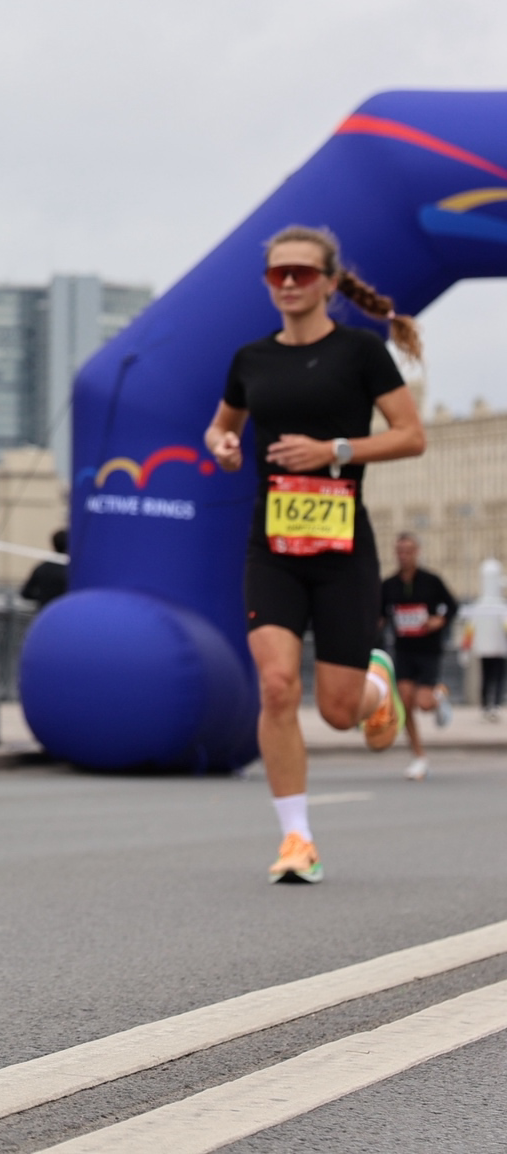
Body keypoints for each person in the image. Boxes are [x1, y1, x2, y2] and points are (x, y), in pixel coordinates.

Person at [204, 224, 424, 886]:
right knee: (275, 686)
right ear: (269, 284)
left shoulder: (360, 353)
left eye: (303, 272)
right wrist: (222, 444)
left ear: (330, 282)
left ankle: (376, 684)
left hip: (341, 545)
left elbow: (412, 437)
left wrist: (336, 451)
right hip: (272, 544)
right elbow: (222, 424)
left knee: (336, 709)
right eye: (279, 274)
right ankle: (296, 837)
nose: (291, 283)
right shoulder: (250, 359)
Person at [381, 532, 455, 781]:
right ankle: (419, 756)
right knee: (404, 704)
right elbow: (379, 615)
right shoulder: (389, 585)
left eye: (409, 551)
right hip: (403, 651)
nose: (404, 556)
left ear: (417, 552)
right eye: (400, 551)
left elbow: (452, 606)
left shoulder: (431, 581)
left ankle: (441, 694)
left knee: (423, 704)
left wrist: (439, 620)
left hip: (428, 651)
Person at [465, 559, 507, 723]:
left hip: (495, 648)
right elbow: (470, 630)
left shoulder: (483, 605)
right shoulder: (496, 605)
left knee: (490, 676)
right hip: (494, 648)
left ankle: (490, 704)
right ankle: (489, 704)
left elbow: (470, 629)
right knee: (493, 677)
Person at [20, 530, 71, 607]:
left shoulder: (42, 568)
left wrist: (43, 597)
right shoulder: (73, 569)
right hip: (67, 611)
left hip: (46, 610)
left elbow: (26, 593)